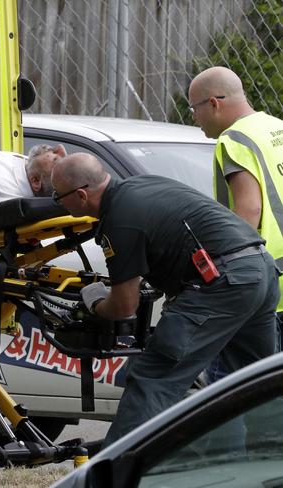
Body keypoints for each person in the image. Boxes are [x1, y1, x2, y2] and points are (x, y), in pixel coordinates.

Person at [51, 152, 280, 446]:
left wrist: (95, 300)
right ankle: (269, 462)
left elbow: (124, 306)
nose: (58, 203)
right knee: (256, 381)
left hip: (224, 283)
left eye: (59, 198)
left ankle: (118, 468)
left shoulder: (119, 220)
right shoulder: (144, 185)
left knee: (153, 377)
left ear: (81, 195)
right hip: (260, 269)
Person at [188, 66, 283, 379]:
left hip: (267, 285)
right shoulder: (276, 128)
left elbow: (249, 210)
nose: (194, 118)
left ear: (214, 104)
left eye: (195, 109)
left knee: (239, 395)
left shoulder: (235, 141)